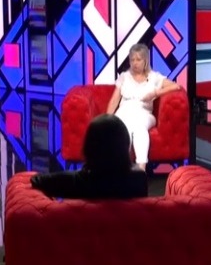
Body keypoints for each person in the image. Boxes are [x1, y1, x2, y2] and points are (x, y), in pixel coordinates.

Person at [31, 114, 148, 199]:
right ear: (125, 145)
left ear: (89, 147)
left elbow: (36, 181)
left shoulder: (75, 182)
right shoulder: (139, 179)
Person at [105, 43, 181, 171]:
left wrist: (155, 93)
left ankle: (141, 170)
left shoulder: (154, 77)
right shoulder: (124, 77)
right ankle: (122, 170)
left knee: (140, 129)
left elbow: (176, 86)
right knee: (124, 130)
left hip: (144, 113)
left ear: (145, 60)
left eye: (138, 59)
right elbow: (114, 101)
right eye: (132, 60)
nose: (135, 63)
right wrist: (107, 120)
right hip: (124, 112)